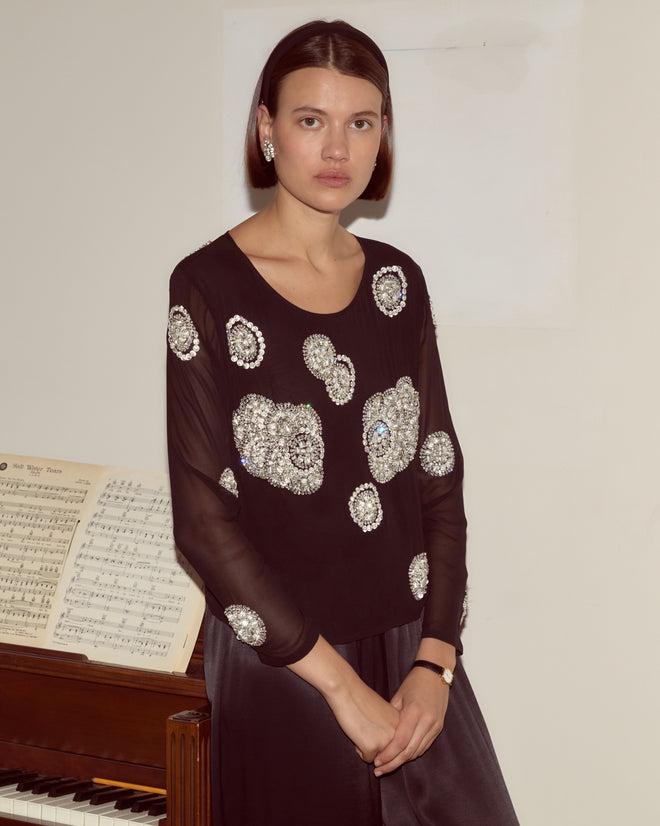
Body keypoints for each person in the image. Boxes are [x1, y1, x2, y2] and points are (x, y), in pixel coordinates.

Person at [166, 19, 518, 826]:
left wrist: (437, 660)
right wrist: (340, 687)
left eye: (360, 122)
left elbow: (439, 476)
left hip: (409, 647)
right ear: (266, 130)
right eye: (310, 120)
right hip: (282, 662)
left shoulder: (400, 281)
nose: (337, 150)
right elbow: (202, 525)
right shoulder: (207, 286)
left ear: (382, 133)